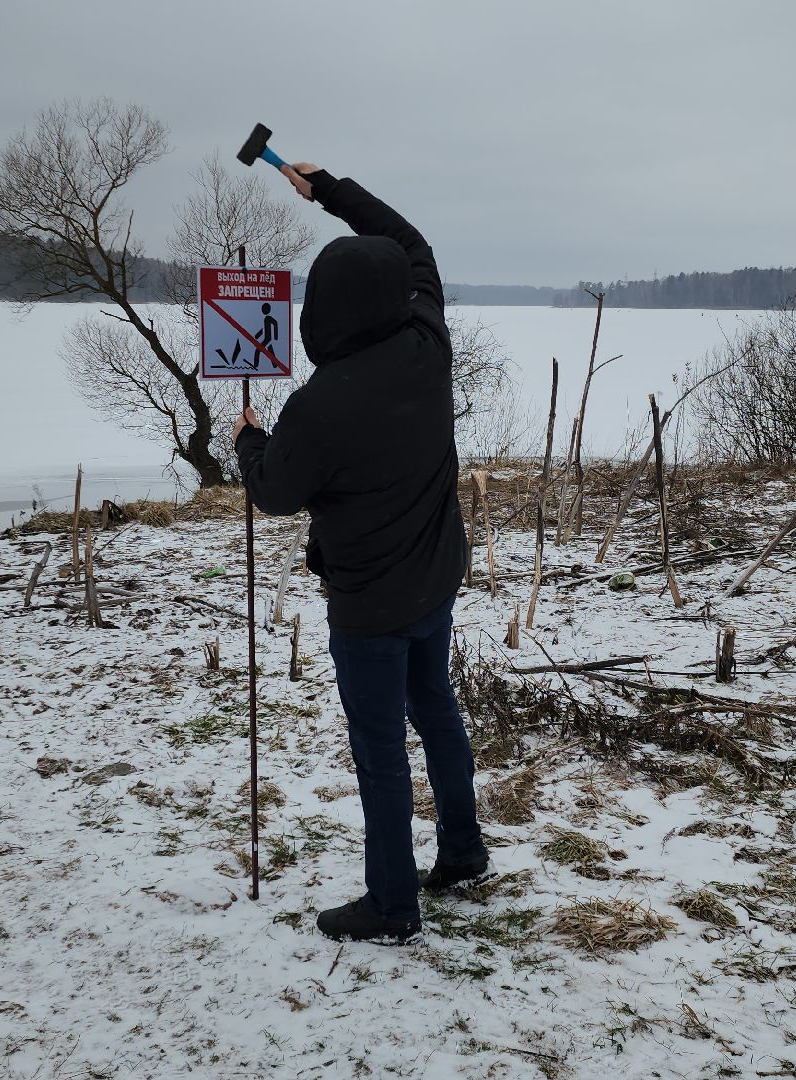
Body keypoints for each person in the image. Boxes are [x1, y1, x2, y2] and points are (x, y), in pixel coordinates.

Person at [232, 162, 488, 943]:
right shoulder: (429, 339)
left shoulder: (318, 407)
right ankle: (463, 852)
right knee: (436, 709)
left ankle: (392, 905)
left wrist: (249, 443)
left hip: (370, 608)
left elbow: (274, 491)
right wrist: (332, 189)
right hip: (434, 581)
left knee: (380, 753)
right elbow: (408, 241)